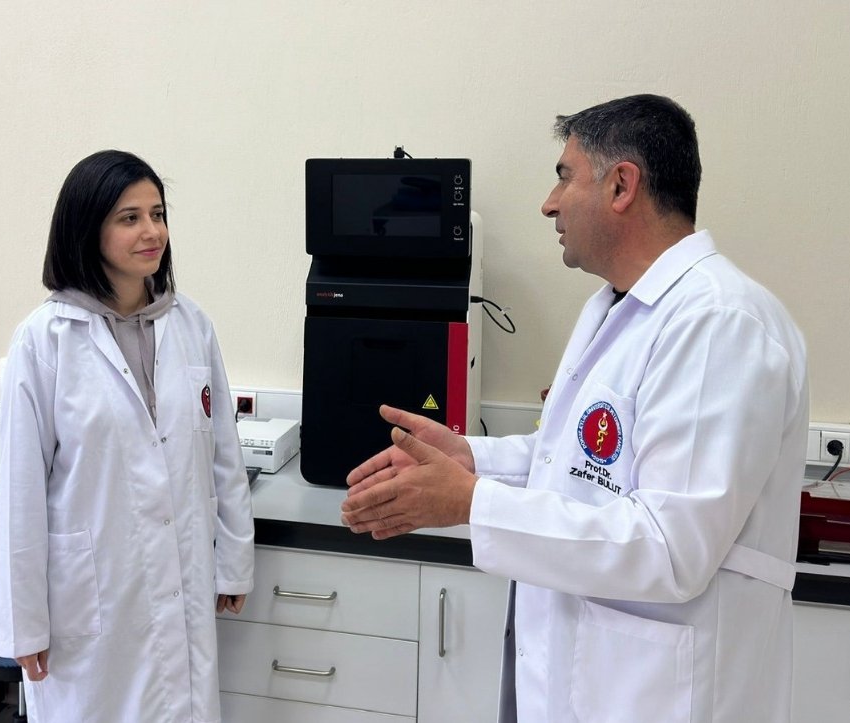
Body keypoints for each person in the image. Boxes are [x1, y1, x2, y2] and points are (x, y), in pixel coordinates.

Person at [340, 94, 809, 722]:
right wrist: (471, 457)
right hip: (578, 678)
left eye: (565, 177)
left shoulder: (719, 322)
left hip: (661, 696)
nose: (549, 203)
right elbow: (580, 463)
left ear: (622, 186)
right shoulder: (613, 308)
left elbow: (670, 547)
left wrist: (472, 501)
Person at [0, 150, 255, 722]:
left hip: (182, 574)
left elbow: (222, 453)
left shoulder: (190, 324)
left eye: (157, 214)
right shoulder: (45, 338)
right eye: (129, 218)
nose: (152, 231)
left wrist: (233, 558)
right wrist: (24, 621)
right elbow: (20, 492)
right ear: (88, 228)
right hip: (92, 592)